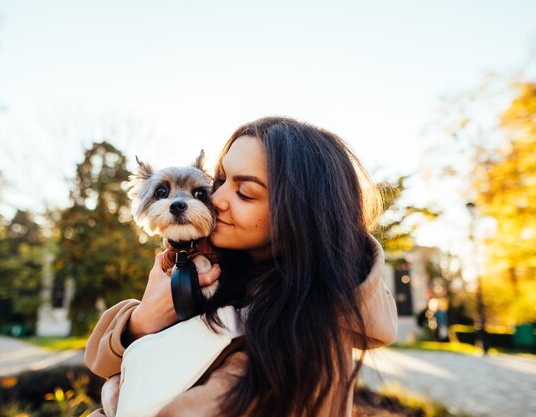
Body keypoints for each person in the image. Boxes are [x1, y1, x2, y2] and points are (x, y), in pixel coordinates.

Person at [85, 116, 398, 417]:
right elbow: (102, 362)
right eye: (219, 181)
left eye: (245, 192)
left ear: (299, 213)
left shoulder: (299, 334)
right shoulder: (221, 268)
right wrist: (142, 320)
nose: (216, 199)